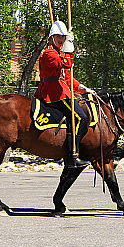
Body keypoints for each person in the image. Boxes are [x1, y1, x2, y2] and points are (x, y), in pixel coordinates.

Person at [35, 20, 92, 168]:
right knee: (81, 117)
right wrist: (70, 49)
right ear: (51, 37)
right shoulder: (49, 53)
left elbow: (66, 77)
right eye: (59, 36)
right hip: (53, 92)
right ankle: (71, 155)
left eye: (64, 37)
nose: (61, 40)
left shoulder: (59, 53)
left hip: (61, 89)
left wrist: (81, 87)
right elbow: (65, 64)